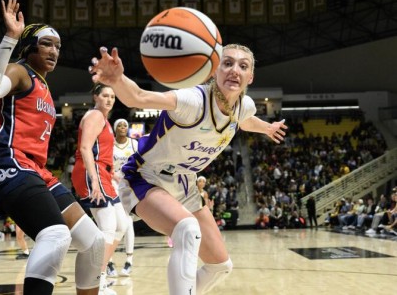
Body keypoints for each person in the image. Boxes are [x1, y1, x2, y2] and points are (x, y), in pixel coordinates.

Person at [90, 44, 287, 294]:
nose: (234, 70)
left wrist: (267, 128)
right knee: (187, 228)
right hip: (146, 176)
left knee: (221, 265)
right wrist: (118, 80)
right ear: (215, 70)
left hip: (185, 184)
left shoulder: (244, 106)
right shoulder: (193, 100)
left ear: (250, 77)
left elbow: (245, 121)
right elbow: (139, 97)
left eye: (243, 66)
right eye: (227, 63)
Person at [0, 0, 104, 295]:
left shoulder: (44, 85)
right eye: (47, 44)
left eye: (58, 46)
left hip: (35, 169)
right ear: (30, 46)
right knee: (56, 235)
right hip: (7, 160)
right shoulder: (20, 72)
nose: (54, 51)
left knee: (94, 243)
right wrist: (10, 37)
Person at [71, 84, 129, 295]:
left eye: (112, 96)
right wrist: (94, 180)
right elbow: (86, 148)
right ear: (95, 96)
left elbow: (103, 152)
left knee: (122, 224)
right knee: (108, 226)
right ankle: (98, 281)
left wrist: (113, 174)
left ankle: (101, 272)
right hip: (91, 171)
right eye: (105, 95)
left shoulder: (105, 120)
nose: (109, 99)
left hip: (103, 172)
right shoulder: (95, 115)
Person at [108, 118, 139, 277]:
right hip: (112, 185)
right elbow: (105, 165)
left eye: (125, 125)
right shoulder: (109, 144)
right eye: (119, 125)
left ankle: (129, 261)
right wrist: (113, 176)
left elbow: (141, 163)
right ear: (115, 128)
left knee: (128, 224)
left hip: (129, 185)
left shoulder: (134, 144)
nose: (122, 127)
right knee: (112, 224)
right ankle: (109, 261)